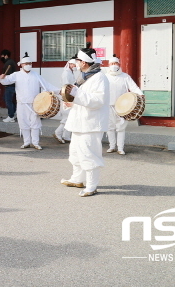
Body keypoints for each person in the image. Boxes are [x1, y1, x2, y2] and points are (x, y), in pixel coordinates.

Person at [60, 46, 109, 197]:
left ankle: (91, 186)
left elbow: (98, 101)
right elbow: (81, 98)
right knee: (75, 152)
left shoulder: (100, 78)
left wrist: (76, 94)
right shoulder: (84, 77)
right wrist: (71, 102)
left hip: (91, 124)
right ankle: (77, 179)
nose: (77, 63)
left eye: (78, 60)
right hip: (79, 122)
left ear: (84, 62)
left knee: (89, 154)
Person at [0, 52, 58, 150]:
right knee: (23, 123)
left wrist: (60, 91)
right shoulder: (16, 74)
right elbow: (6, 80)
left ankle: (35, 142)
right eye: (26, 64)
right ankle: (26, 142)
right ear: (21, 65)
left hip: (35, 103)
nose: (28, 65)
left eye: (30, 63)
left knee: (35, 124)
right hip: (22, 103)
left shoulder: (36, 75)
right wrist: (1, 78)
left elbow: (46, 85)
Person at [105, 54, 144, 155]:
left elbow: (133, 87)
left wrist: (140, 94)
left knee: (121, 127)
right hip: (108, 105)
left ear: (119, 64)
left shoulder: (125, 76)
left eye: (115, 63)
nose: (114, 65)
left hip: (122, 106)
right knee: (110, 127)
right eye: (112, 63)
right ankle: (112, 146)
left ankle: (120, 148)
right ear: (109, 65)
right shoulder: (105, 77)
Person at [54, 57, 80, 144]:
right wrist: (67, 99)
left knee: (70, 117)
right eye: (74, 64)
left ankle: (66, 135)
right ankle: (58, 132)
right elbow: (66, 87)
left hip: (70, 96)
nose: (75, 66)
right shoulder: (66, 74)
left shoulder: (70, 73)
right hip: (67, 97)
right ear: (70, 64)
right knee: (68, 117)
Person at [0, 50, 17, 123]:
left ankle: (11, 116)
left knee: (8, 100)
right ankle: (13, 113)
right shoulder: (11, 62)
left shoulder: (8, 63)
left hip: (10, 85)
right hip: (12, 85)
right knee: (10, 100)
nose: (1, 57)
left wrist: (3, 77)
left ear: (6, 55)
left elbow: (7, 75)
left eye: (2, 55)